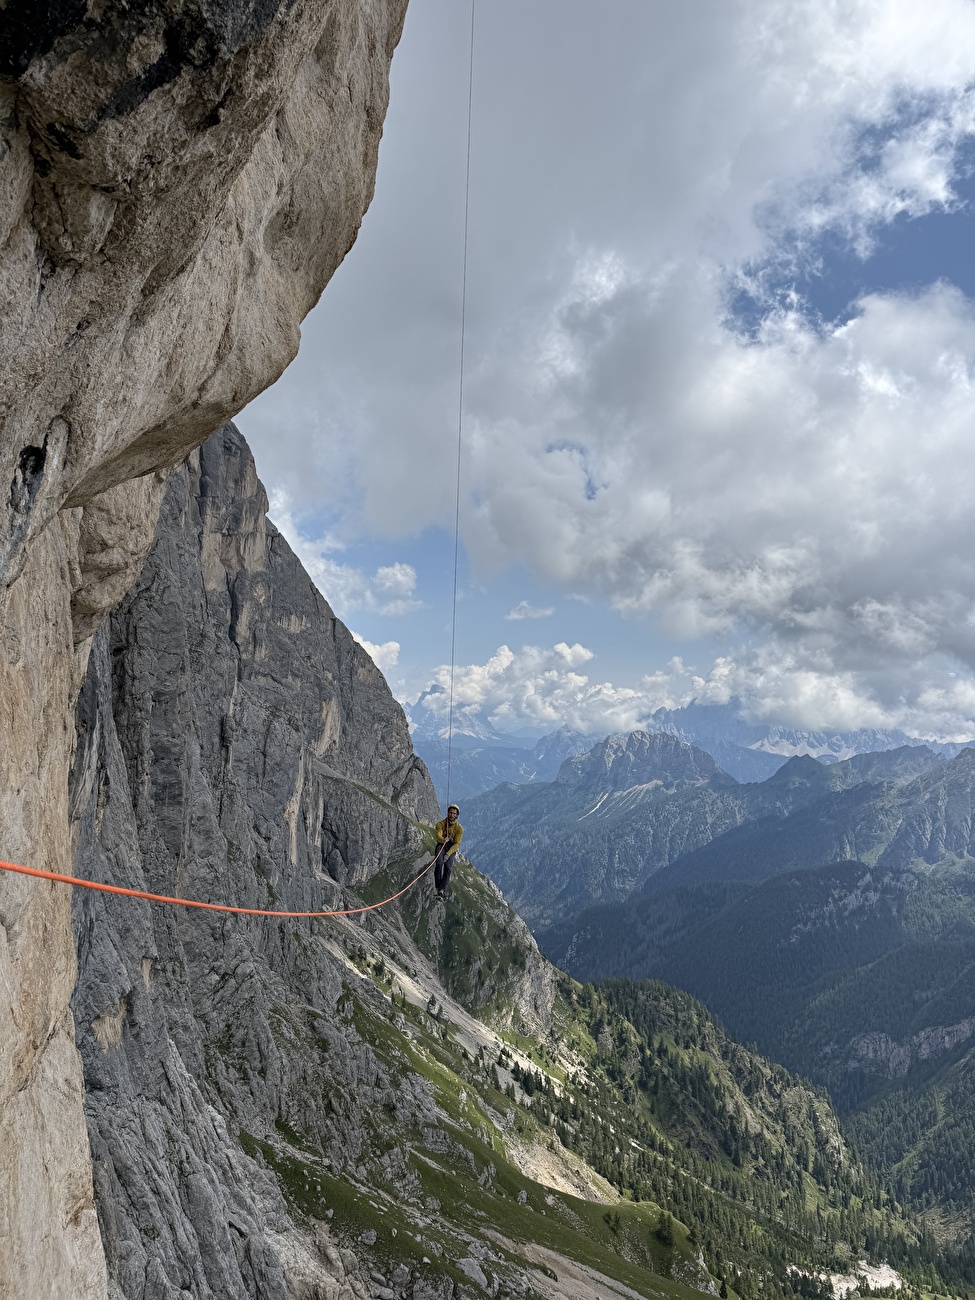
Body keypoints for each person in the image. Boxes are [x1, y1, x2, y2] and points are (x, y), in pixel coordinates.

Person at [432, 804, 463, 899]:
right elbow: (438, 836)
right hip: (442, 845)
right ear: (448, 813)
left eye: (454, 813)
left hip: (451, 848)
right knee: (439, 863)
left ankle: (442, 889)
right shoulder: (440, 824)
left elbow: (457, 844)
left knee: (448, 867)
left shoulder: (459, 828)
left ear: (457, 815)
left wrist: (448, 854)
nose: (452, 815)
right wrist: (443, 840)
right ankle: (438, 887)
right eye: (450, 812)